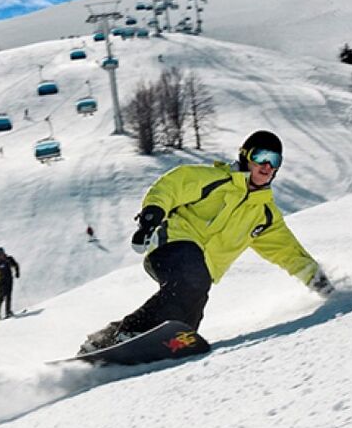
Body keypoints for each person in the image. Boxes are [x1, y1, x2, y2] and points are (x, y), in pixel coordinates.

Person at [78, 130, 333, 353]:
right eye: (260, 157)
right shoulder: (214, 180)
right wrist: (150, 217)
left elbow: (288, 252)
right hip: (173, 246)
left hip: (200, 275)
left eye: (274, 160)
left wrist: (322, 284)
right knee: (192, 279)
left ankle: (105, 341)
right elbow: (171, 186)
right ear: (246, 156)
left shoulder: (264, 215)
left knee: (182, 326)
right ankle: (130, 332)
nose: (266, 165)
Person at [0, 247, 20, 320]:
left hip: (9, 281)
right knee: (1, 297)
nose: (1, 255)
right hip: (1, 283)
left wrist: (17, 272)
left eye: (2, 253)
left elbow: (16, 265)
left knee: (9, 296)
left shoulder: (9, 259)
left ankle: (8, 312)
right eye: (0, 254)